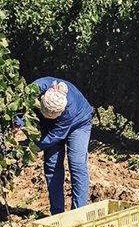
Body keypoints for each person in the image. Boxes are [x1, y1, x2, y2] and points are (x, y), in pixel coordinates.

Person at [19, 77, 94, 215]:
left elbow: (54, 137)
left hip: (79, 123)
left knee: (77, 164)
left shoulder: (69, 110)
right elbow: (20, 106)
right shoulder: (34, 90)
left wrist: (28, 147)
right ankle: (57, 213)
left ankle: (78, 214)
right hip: (53, 126)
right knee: (52, 165)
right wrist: (17, 122)